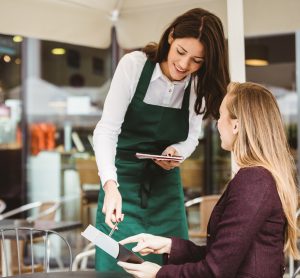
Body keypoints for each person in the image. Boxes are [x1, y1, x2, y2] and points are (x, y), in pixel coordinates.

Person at [93, 8, 230, 271]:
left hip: (165, 188)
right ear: (170, 37)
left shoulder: (198, 84)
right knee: (118, 265)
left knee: (173, 264)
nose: (185, 65)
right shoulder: (133, 65)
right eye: (181, 52)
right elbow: (106, 130)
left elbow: (191, 137)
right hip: (120, 185)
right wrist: (110, 186)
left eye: (197, 60)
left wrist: (175, 152)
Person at [117, 82, 300, 278]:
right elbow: (223, 256)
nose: (217, 123)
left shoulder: (254, 180)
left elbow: (215, 270)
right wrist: (169, 245)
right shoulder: (259, 178)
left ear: (236, 125)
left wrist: (158, 273)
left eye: (221, 116)